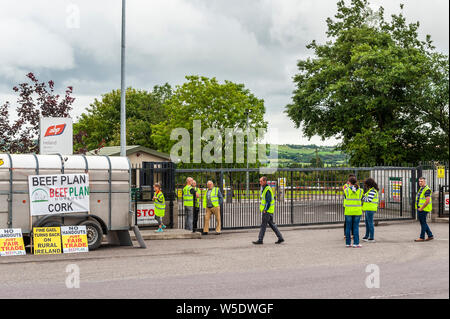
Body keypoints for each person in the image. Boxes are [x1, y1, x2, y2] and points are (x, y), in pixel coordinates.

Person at [253, 176, 284, 245]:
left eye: (261, 181)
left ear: (265, 181)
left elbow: (268, 201)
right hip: (269, 211)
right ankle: (280, 238)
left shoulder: (267, 189)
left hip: (267, 211)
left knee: (263, 225)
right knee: (272, 225)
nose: (260, 182)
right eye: (259, 181)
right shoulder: (265, 188)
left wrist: (265, 209)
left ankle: (260, 239)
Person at [343, 176, 363, 248]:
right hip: (357, 211)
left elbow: (345, 197)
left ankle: (348, 243)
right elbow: (361, 198)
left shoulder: (346, 190)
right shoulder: (361, 190)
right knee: (355, 227)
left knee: (348, 227)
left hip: (348, 211)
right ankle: (356, 243)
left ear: (350, 182)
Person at [415, 177, 434, 242]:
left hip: (423, 209)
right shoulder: (421, 188)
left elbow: (427, 200)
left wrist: (421, 208)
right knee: (423, 223)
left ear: (424, 182)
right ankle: (430, 235)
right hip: (421, 209)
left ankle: (422, 237)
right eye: (419, 181)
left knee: (423, 223)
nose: (420, 182)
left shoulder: (426, 189)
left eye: (421, 181)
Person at [362, 178, 379, 242]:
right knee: (367, 223)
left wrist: (362, 197)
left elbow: (368, 200)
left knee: (370, 223)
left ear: (369, 184)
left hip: (370, 209)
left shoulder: (372, 191)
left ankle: (371, 237)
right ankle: (366, 236)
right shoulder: (371, 190)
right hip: (368, 208)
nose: (365, 186)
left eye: (366, 184)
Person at [343, 175, 356, 239]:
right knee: (347, 221)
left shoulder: (356, 187)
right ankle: (345, 234)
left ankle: (353, 234)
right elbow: (346, 194)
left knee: (353, 221)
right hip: (347, 205)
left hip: (354, 205)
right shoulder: (346, 186)